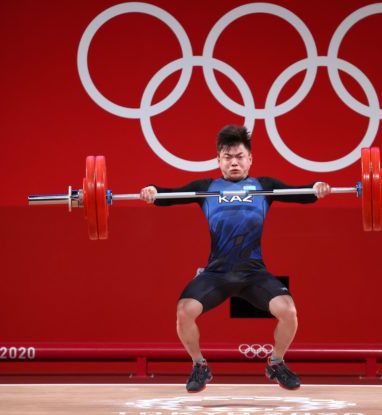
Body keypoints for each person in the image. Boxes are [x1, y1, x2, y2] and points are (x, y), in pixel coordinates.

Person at [140, 125, 330, 392]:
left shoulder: (264, 186)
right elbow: (168, 196)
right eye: (227, 157)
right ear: (219, 161)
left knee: (288, 311)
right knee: (184, 312)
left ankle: (276, 363)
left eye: (240, 156)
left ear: (250, 159)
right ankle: (199, 366)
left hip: (253, 274)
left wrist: (316, 188)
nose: (234, 162)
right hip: (216, 274)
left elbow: (300, 193)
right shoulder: (206, 188)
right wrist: (152, 191)